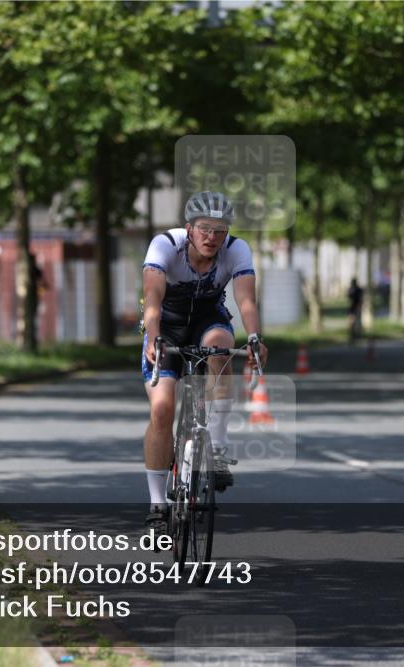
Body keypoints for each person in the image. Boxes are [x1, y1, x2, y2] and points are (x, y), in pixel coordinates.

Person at [141, 191, 268, 534]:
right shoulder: (165, 245)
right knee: (162, 410)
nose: (212, 237)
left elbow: (246, 299)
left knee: (220, 347)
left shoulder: (236, 249)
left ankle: (219, 449)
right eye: (205, 229)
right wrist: (153, 336)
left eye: (220, 230)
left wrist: (254, 337)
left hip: (208, 320)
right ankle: (157, 504)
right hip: (166, 325)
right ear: (189, 228)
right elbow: (152, 296)